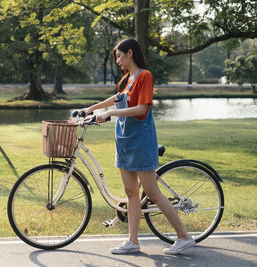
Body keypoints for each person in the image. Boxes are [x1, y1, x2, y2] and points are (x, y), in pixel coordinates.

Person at [76, 38, 195, 255]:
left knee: (152, 193)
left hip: (141, 142)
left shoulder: (144, 76)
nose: (118, 61)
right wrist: (90, 108)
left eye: (119, 56)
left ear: (130, 53)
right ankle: (133, 242)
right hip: (124, 141)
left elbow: (141, 109)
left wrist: (109, 113)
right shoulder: (127, 79)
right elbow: (116, 98)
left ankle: (184, 237)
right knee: (131, 193)